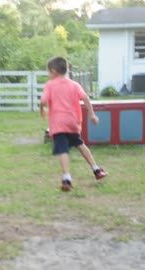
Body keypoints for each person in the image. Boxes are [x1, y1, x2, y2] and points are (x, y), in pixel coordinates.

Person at [40, 56, 107, 192]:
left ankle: (66, 178)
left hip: (58, 123)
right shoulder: (74, 85)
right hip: (73, 122)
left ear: (53, 71)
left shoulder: (50, 85)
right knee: (80, 145)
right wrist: (92, 114)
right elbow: (85, 98)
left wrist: (42, 109)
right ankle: (96, 170)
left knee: (63, 149)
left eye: (48, 72)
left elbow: (43, 100)